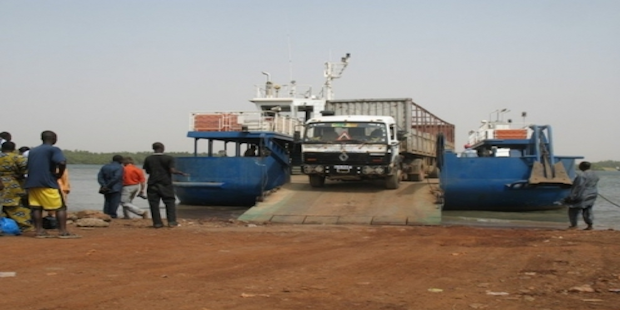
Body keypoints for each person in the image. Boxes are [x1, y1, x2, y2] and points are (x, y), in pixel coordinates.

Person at [25, 130, 79, 238]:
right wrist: (59, 174)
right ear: (54, 139)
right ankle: (63, 232)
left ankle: (39, 231)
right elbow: (62, 162)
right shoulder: (54, 149)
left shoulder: (33, 151)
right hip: (47, 182)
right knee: (60, 207)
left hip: (31, 183)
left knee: (36, 208)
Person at [143, 142, 188, 228]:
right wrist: (181, 173)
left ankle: (157, 223)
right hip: (165, 183)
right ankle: (171, 222)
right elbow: (172, 170)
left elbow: (147, 171)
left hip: (152, 183)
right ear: (162, 148)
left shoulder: (148, 158)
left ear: (153, 148)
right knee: (169, 202)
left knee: (154, 204)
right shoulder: (168, 158)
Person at [0, 141, 32, 232]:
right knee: (15, 206)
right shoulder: (18, 158)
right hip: (13, 184)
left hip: (1, 182)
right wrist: (20, 176)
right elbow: (27, 170)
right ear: (14, 149)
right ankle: (25, 225)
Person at [564, 161, 599, 230]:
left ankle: (574, 225)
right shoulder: (595, 175)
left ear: (582, 167)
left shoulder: (581, 175)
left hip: (582, 195)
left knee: (573, 209)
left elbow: (577, 186)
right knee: (588, 209)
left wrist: (571, 197)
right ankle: (590, 225)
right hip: (593, 194)